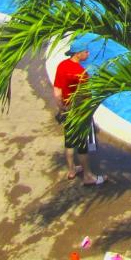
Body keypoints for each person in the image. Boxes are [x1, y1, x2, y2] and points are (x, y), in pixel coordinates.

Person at [52, 39, 108, 186]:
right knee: (83, 146)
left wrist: (62, 107)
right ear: (78, 54)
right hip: (79, 113)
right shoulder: (81, 73)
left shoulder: (62, 66)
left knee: (69, 142)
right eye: (86, 51)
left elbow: (57, 90)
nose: (88, 53)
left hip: (66, 110)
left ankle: (71, 170)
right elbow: (87, 96)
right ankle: (88, 176)